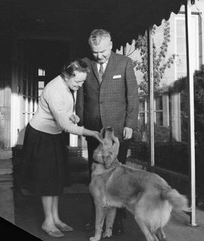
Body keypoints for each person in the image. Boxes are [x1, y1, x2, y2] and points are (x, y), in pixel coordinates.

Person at [19, 59, 102, 238]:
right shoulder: (54, 90)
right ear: (66, 76)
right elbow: (65, 126)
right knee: (47, 179)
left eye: (82, 81)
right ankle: (47, 222)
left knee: (56, 178)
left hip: (53, 135)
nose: (80, 86)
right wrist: (91, 132)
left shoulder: (67, 86)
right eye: (77, 82)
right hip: (41, 136)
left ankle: (55, 218)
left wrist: (72, 116)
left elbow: (64, 115)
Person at [76, 29, 139, 235]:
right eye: (95, 52)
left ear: (111, 45)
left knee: (117, 178)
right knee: (94, 177)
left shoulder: (124, 63)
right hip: (94, 131)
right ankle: (95, 218)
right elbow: (81, 98)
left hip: (117, 131)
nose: (99, 56)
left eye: (102, 51)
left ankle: (117, 220)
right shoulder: (85, 64)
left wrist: (130, 123)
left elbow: (133, 96)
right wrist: (81, 125)